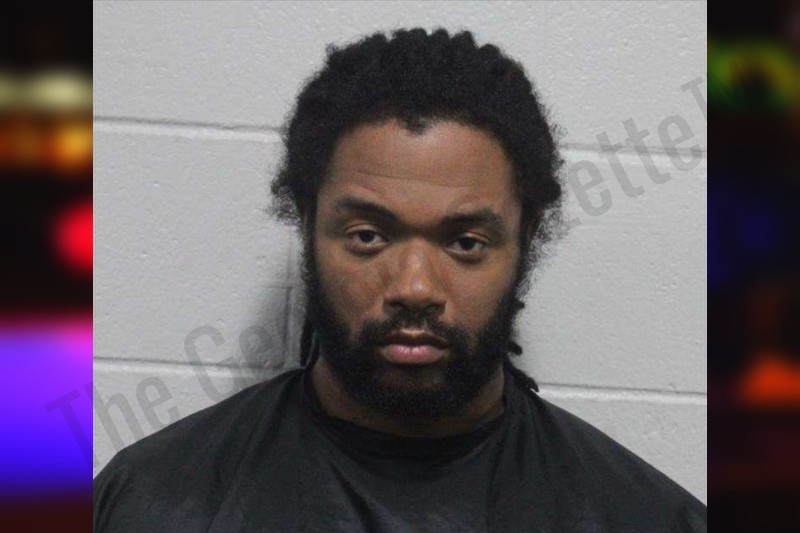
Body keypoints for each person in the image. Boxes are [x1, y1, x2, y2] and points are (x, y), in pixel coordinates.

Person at [93, 28, 707, 532]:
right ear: (307, 225)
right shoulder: (150, 505)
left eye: (465, 243)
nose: (414, 288)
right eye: (368, 236)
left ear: (526, 238)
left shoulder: (646, 519)